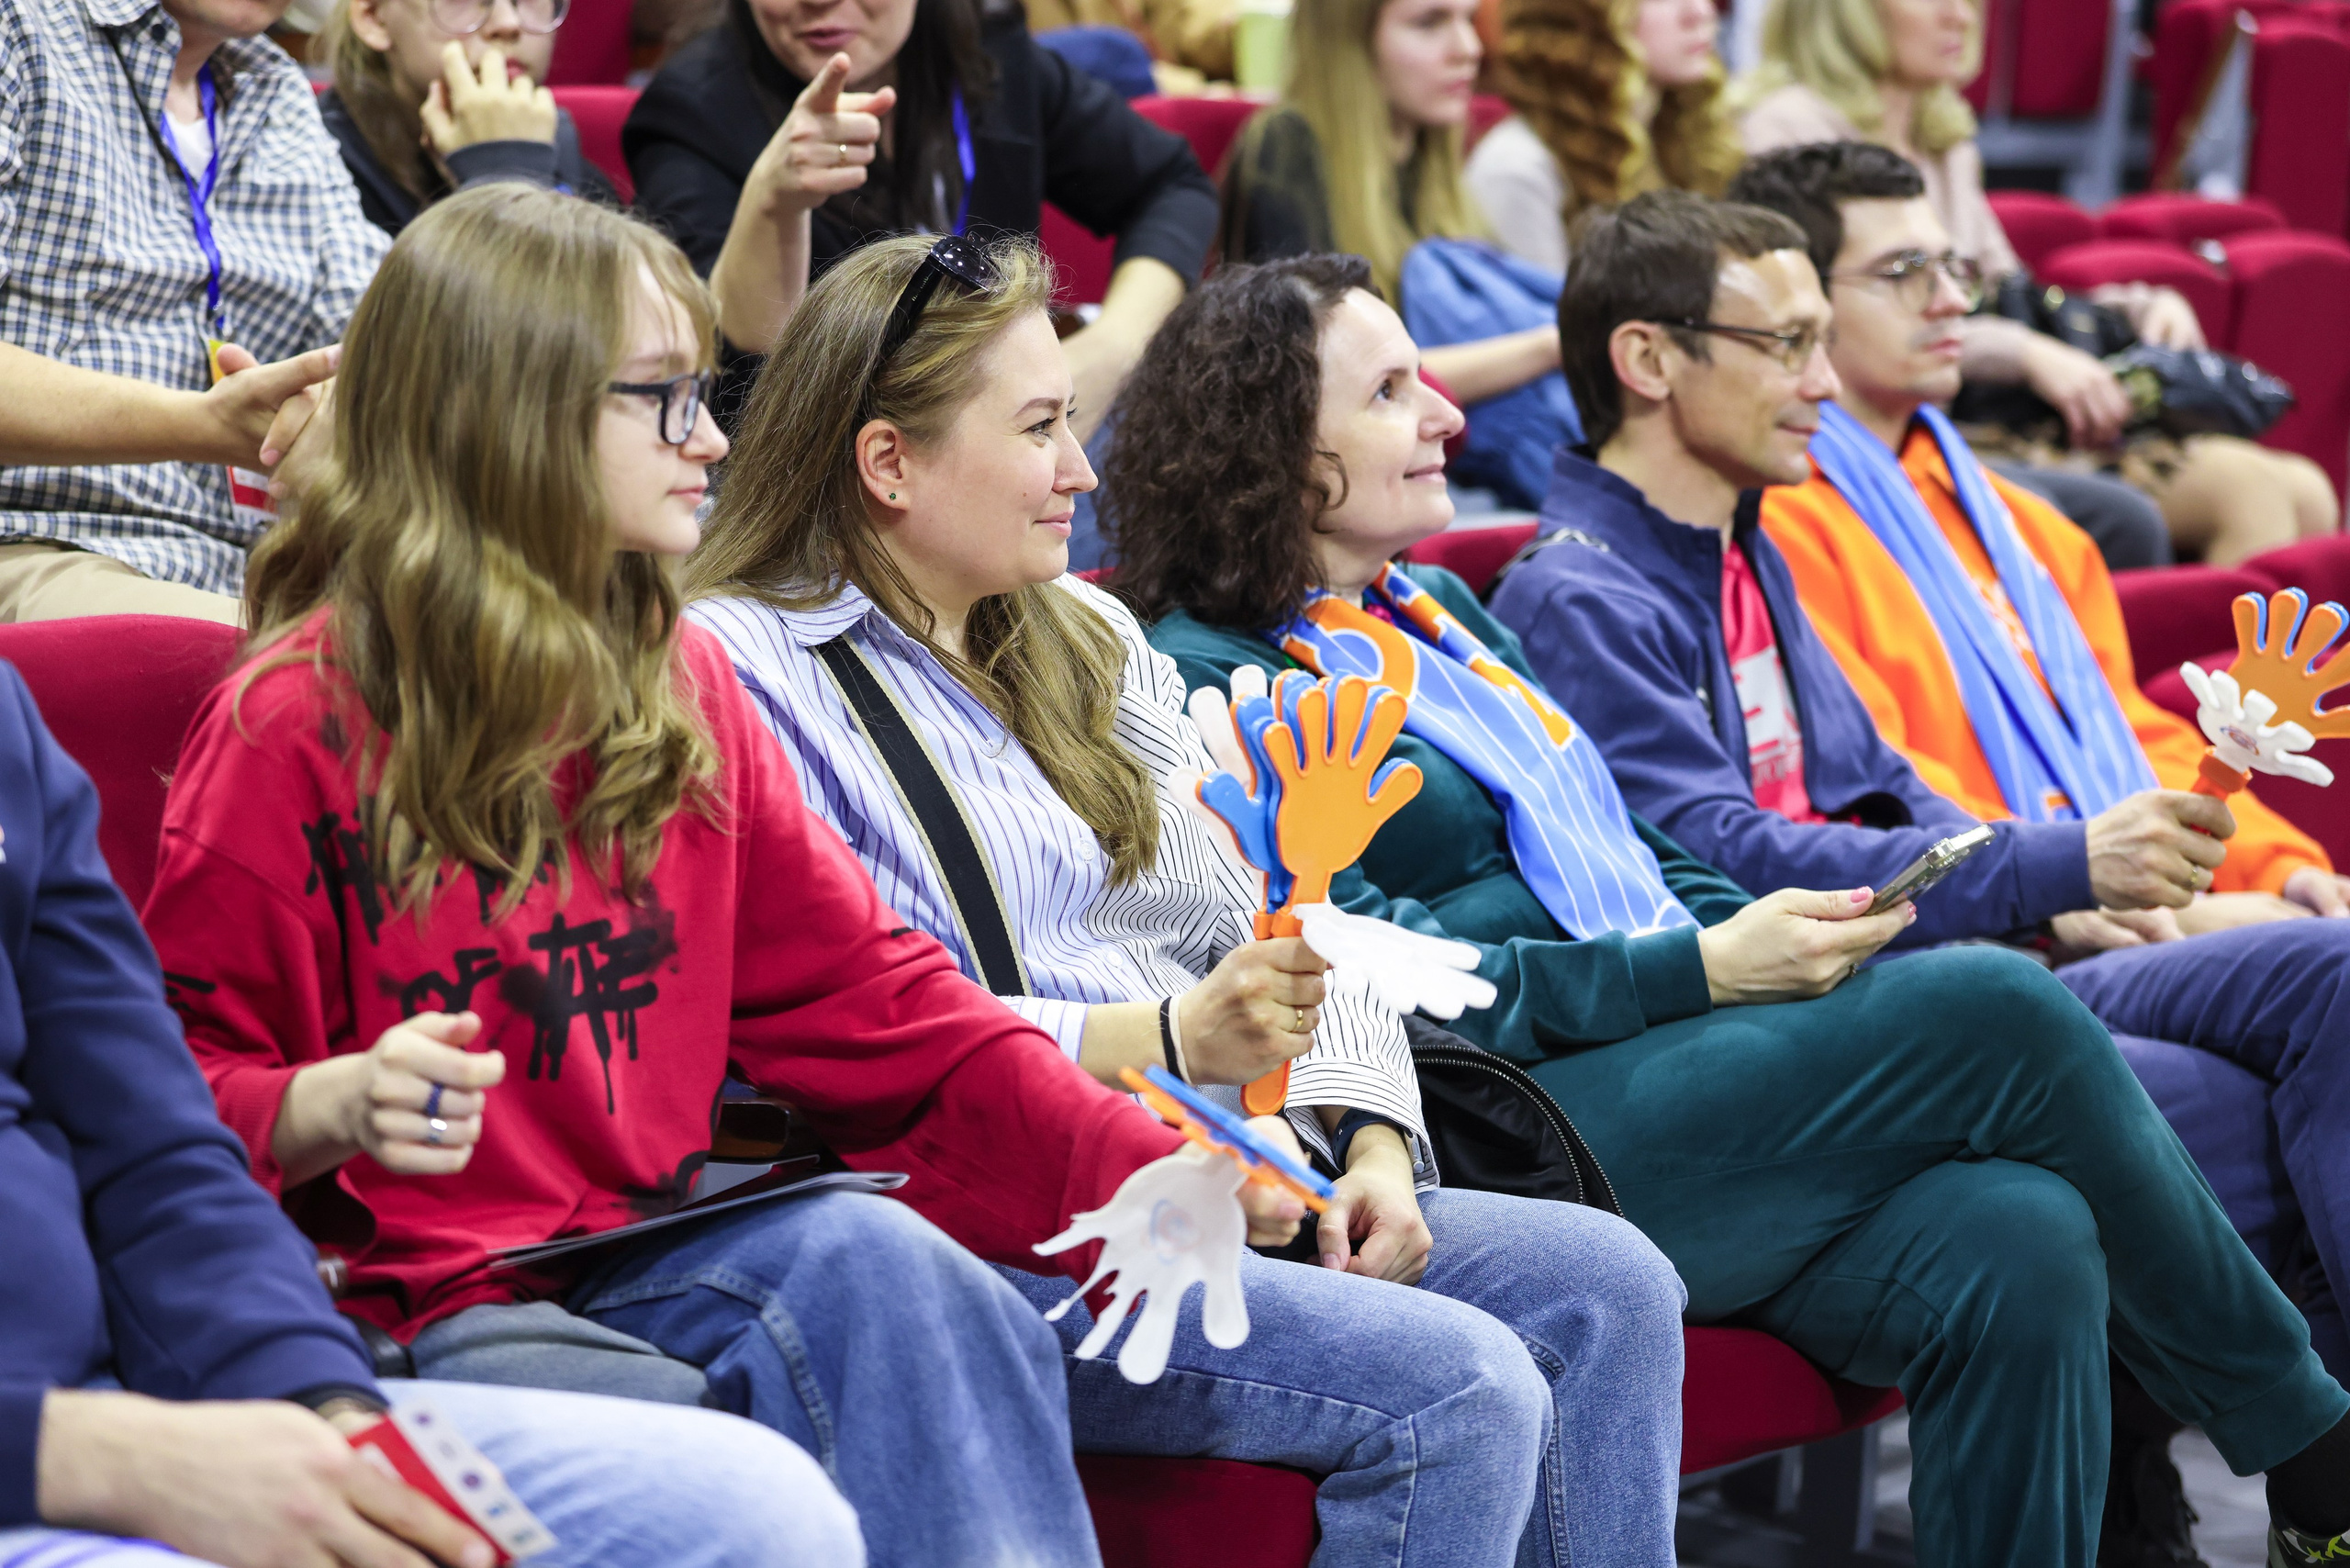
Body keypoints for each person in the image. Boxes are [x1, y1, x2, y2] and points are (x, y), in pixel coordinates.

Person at [1105, 246, 2350, 1567]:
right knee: (1994, 998)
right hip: (1496, 1118)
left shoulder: (1441, 610)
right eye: (1394, 392)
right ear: (1277, 449)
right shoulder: (1203, 677)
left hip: (1659, 1066)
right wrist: (1700, 967)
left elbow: (1628, 843)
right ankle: (2317, 1451)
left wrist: (1789, 928)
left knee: (2021, 1238)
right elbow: (1367, 972)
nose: (1451, 418)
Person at [138, 185, 1297, 1568]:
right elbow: (161, 1107)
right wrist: (321, 1103)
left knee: (907, 1278)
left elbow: (881, 1003)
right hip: (418, 1295)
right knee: (732, 1440)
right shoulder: (290, 724)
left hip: (651, 1242)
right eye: (661, 400)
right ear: (513, 418)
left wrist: (1154, 1160)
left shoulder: (675, 682)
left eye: (704, 393)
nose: (711, 438)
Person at [685, 230, 1687, 1568]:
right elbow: (882, 1031)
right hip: (1009, 1214)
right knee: (1464, 1384)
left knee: (1618, 1285)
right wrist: (1175, 1073)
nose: (1079, 473)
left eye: (1076, 424)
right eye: (1041, 427)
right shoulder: (747, 668)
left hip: (1244, 1166)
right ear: (889, 464)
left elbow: (1269, 923)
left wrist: (1374, 1145)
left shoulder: (1088, 633)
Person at [1479, 187, 2350, 1563]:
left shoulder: (1741, 546)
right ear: (1650, 362)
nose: (1823, 384)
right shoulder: (1579, 591)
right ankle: (2310, 1463)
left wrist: (2095, 886)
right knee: (2157, 1123)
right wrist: (2048, 863)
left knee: (2330, 974)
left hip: (1941, 959)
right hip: (1832, 1007)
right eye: (1784, 344)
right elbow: (1719, 856)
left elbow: (1887, 780)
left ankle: (2296, 1479)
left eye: (1827, 338)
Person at [0, 638, 863, 1566]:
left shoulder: (8, 722)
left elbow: (150, 1145)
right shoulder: (293, 716)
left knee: (762, 1507)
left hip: (132, 1393)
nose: (711, 479)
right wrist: (81, 1455)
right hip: (71, 1449)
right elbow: (214, 1073)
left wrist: (315, 1401)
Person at [1740, 0, 2339, 566]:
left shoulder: (1942, 133)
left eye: (1971, 1)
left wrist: (2135, 307)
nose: (1962, 16)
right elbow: (1823, 316)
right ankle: (2221, 679)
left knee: (2309, 491)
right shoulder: (1787, 133)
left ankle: (2257, 676)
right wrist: (2023, 354)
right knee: (2246, 493)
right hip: (1905, 420)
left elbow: (2003, 290)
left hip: (1984, 408)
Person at [621, 0, 1214, 438]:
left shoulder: (987, 53)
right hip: (829, 483)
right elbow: (722, 349)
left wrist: (1112, 348)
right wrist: (773, 204)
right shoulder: (692, 111)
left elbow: (1172, 186)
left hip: (1017, 434)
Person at [0, 0, 387, 624]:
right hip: (38, 538)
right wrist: (202, 424)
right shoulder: (20, 24)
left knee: (503, 662)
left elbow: (386, 344)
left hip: (262, 571)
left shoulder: (276, 88)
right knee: (312, 671)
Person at [1222, 0, 1560, 410]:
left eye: (1469, 20)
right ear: (1351, 42)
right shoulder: (1288, 148)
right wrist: (1549, 347)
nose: (1469, 48)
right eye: (1429, 23)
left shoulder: (1427, 152)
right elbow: (1334, 375)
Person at [1465, 0, 1739, 278]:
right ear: (1577, 22)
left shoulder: (1678, 133)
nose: (1701, 12)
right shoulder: (1519, 169)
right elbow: (1552, 319)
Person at [319, 0, 620, 238]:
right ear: (373, 18)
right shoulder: (320, 166)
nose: (508, 23)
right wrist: (504, 170)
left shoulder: (556, 144)